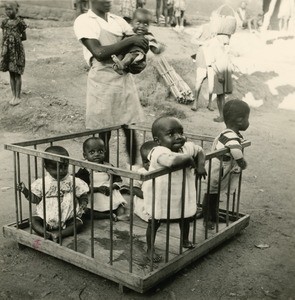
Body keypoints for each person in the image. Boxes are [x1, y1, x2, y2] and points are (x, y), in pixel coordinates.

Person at [73, 0, 148, 166]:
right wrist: (129, 41)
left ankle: (133, 169)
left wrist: (137, 58)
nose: (108, 1)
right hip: (102, 81)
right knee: (104, 132)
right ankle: (105, 173)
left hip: (123, 77)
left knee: (130, 129)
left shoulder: (118, 20)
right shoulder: (84, 21)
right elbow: (99, 53)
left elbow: (139, 43)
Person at [142, 116, 207, 262]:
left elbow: (200, 150)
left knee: (185, 216)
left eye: (181, 132)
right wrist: (190, 159)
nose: (178, 137)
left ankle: (184, 240)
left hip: (182, 192)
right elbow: (171, 161)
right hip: (161, 194)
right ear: (158, 140)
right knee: (155, 220)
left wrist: (201, 165)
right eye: (171, 134)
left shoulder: (186, 147)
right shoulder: (157, 152)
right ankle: (150, 248)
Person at [17, 146, 89, 242]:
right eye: (56, 168)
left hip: (68, 217)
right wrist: (25, 191)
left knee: (78, 224)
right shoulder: (42, 182)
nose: (61, 171)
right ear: (46, 167)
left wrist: (83, 202)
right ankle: (45, 233)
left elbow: (82, 193)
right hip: (46, 218)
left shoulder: (73, 181)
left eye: (65, 167)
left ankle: (60, 234)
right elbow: (36, 199)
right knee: (32, 220)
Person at [203, 99, 250, 230]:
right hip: (217, 168)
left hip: (220, 166)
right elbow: (236, 150)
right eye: (247, 119)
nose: (248, 122)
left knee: (214, 193)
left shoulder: (228, 133)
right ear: (240, 120)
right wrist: (242, 163)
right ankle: (207, 218)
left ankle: (214, 214)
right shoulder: (231, 137)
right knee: (211, 194)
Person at [76, 137, 129, 221]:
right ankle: (108, 216)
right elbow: (81, 187)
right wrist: (97, 189)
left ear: (104, 152)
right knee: (85, 211)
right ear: (85, 155)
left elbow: (118, 180)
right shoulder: (84, 169)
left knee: (119, 205)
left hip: (108, 193)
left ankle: (119, 214)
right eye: (92, 152)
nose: (96, 154)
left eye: (100, 151)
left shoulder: (108, 166)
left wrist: (112, 187)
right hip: (93, 195)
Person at [111, 8, 165, 75]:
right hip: (124, 53)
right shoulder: (128, 32)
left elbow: (153, 46)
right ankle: (118, 67)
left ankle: (121, 65)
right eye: (138, 23)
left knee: (130, 56)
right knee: (120, 55)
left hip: (137, 56)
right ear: (132, 23)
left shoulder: (147, 35)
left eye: (145, 24)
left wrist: (158, 50)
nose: (141, 26)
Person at [0, 1, 27, 106]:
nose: (8, 11)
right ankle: (13, 96)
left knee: (17, 73)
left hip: (17, 52)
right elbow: (3, 36)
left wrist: (15, 40)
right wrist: (3, 49)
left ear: (16, 10)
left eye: (10, 9)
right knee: (11, 74)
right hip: (7, 52)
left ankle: (18, 96)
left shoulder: (20, 22)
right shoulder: (4, 22)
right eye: (6, 9)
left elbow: (24, 37)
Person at [202, 33, 234, 122]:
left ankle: (222, 116)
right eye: (228, 37)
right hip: (219, 73)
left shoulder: (224, 47)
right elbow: (211, 63)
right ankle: (221, 116)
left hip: (225, 73)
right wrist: (219, 74)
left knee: (222, 96)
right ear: (222, 37)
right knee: (220, 96)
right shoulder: (214, 47)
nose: (229, 39)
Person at [190, 22, 215, 112]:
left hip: (213, 56)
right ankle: (195, 102)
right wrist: (203, 43)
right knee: (199, 79)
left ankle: (210, 103)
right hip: (203, 55)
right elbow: (192, 40)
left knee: (212, 81)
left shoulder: (220, 30)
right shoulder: (204, 27)